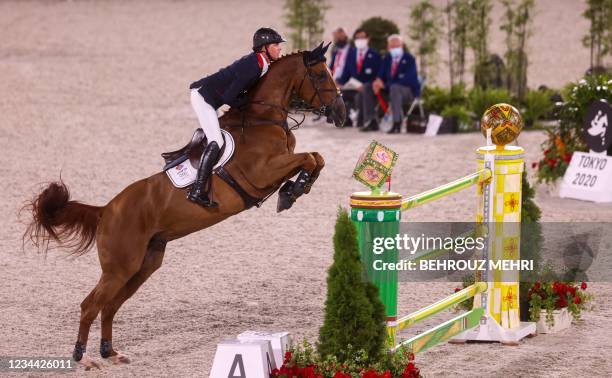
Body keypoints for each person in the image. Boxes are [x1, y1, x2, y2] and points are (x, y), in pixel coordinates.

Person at [187, 27, 284, 207]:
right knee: (217, 141)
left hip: (212, 98)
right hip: (203, 98)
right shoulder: (253, 65)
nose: (280, 48)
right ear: (264, 47)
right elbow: (229, 98)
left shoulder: (263, 63)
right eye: (276, 44)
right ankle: (197, 191)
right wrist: (248, 106)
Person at [372, 34, 421, 134]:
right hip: (391, 91)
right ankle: (370, 120)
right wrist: (377, 82)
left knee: (395, 88)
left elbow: (408, 79)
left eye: (397, 46)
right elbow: (381, 75)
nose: (394, 49)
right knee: (370, 86)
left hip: (408, 91)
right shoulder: (387, 59)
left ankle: (397, 123)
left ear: (402, 46)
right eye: (392, 46)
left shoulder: (409, 59)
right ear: (388, 47)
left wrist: (385, 85)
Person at [336, 28, 381, 131]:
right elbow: (346, 73)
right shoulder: (351, 55)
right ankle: (345, 119)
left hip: (369, 87)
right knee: (338, 92)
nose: (360, 40)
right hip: (354, 86)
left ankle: (369, 121)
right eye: (357, 38)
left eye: (362, 37)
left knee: (362, 93)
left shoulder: (375, 55)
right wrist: (339, 83)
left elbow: (378, 75)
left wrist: (366, 85)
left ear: (368, 39)